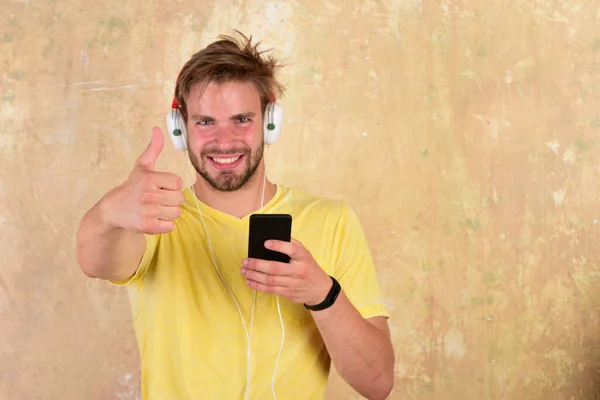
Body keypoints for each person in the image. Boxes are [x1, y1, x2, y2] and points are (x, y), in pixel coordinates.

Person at [76, 31, 394, 400]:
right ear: (180, 128)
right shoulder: (152, 219)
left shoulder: (333, 220)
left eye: (241, 119)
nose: (224, 141)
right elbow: (93, 261)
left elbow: (377, 383)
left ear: (270, 122)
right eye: (206, 122)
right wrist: (110, 213)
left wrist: (321, 293)